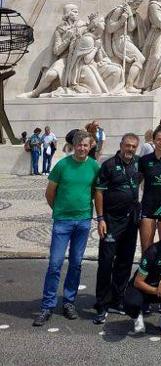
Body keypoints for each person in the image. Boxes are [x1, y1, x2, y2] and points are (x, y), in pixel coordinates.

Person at [33, 130, 100, 326]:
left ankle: (69, 302)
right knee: (55, 264)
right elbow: (49, 193)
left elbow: (97, 192)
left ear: (90, 147)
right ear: (74, 146)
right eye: (79, 145)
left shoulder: (94, 166)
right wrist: (59, 210)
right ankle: (47, 305)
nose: (82, 148)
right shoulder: (62, 165)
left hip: (83, 221)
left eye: (86, 145)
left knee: (76, 263)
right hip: (63, 221)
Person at [93, 133, 142, 324]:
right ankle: (102, 303)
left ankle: (117, 298)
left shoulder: (138, 163)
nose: (130, 149)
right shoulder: (109, 165)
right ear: (121, 145)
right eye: (127, 145)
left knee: (125, 261)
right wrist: (100, 218)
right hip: (112, 220)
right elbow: (99, 192)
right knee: (106, 262)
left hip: (131, 221)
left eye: (133, 146)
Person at [138, 127, 161, 253]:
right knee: (146, 249)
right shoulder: (144, 160)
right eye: (158, 139)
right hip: (148, 208)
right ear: (153, 140)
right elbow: (136, 182)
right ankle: (147, 273)